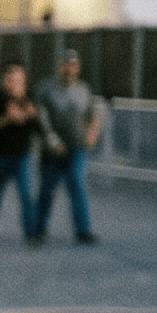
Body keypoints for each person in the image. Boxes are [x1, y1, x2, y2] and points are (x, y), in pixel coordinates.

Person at [31, 49, 103, 245]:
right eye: (66, 65)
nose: (69, 70)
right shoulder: (46, 89)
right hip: (52, 149)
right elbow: (41, 118)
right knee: (47, 189)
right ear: (59, 67)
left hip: (76, 147)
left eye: (73, 65)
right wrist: (53, 141)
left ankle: (82, 231)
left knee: (77, 185)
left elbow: (93, 114)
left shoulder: (83, 90)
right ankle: (38, 230)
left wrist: (92, 132)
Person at [0, 62, 40, 241]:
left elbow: (37, 127)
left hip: (21, 155)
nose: (17, 84)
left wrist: (32, 116)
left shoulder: (29, 98)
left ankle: (31, 233)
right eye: (13, 80)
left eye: (21, 80)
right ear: (6, 81)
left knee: (26, 194)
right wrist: (7, 119)